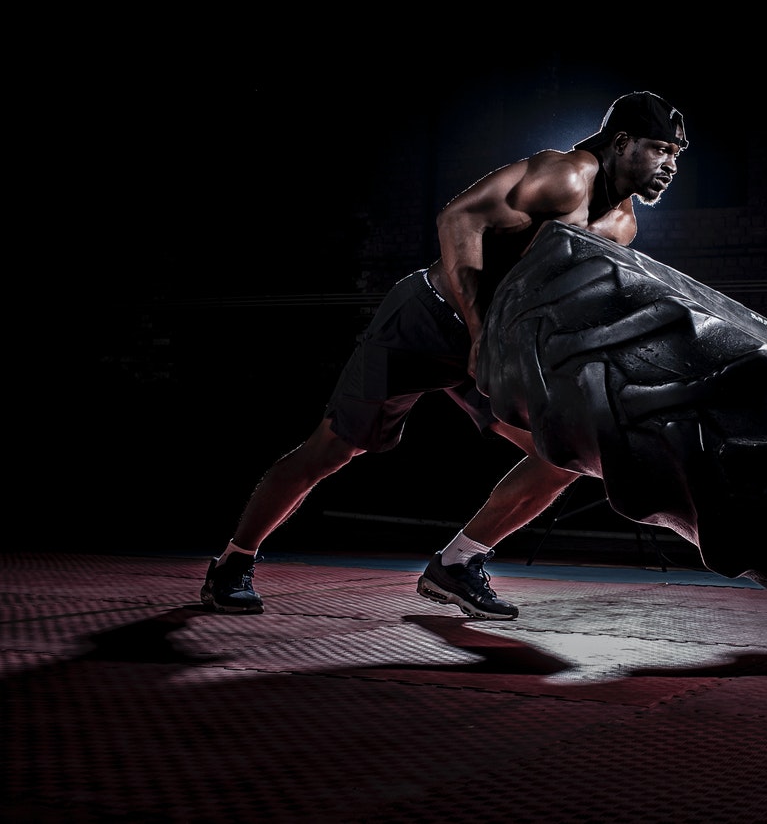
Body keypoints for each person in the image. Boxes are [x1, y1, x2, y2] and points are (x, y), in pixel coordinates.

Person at [201, 91, 689, 621]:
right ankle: (233, 562)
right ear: (621, 143)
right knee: (332, 449)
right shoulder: (564, 176)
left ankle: (457, 564)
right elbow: (458, 218)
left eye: (676, 156)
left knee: (563, 456)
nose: (669, 166)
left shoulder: (623, 227)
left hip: (494, 344)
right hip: (428, 317)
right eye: (660, 149)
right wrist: (478, 331)